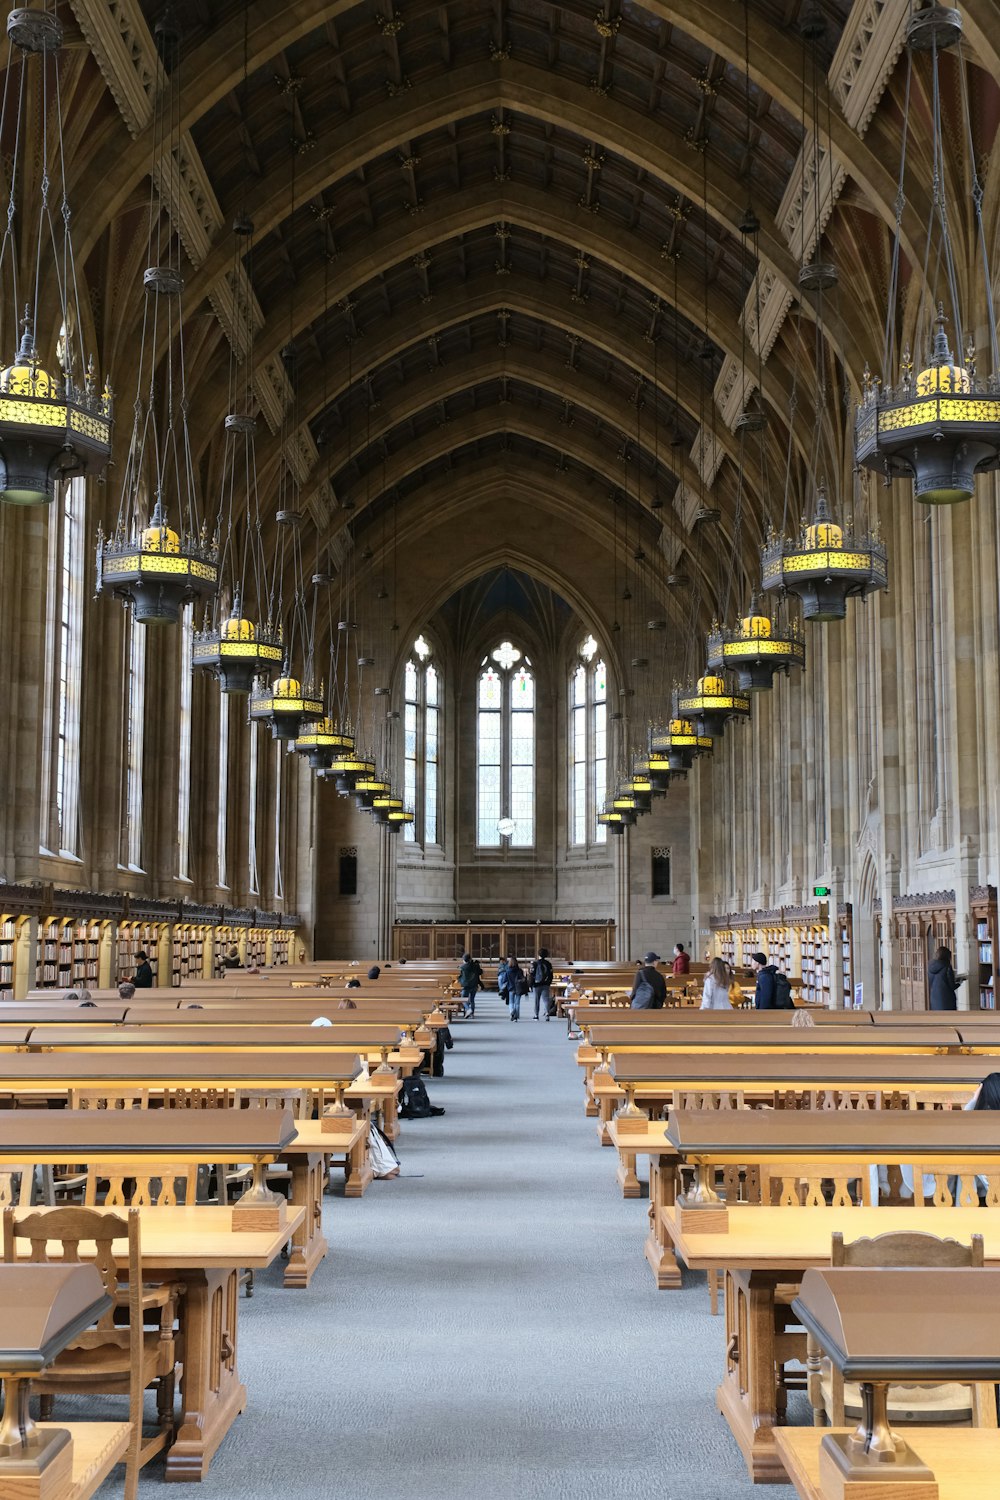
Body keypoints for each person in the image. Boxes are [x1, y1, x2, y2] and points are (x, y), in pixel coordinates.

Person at [928, 945, 963, 1011]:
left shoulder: (930, 967)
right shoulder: (947, 967)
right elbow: (952, 986)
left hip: (934, 999)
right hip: (947, 1000)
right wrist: (960, 982)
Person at [530, 948, 554, 1020]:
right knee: (546, 1000)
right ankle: (547, 1014)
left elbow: (531, 974)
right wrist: (549, 982)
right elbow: (551, 974)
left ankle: (536, 1015)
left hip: (536, 984)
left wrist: (531, 984)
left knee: (536, 1000)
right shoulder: (548, 964)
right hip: (546, 984)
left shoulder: (535, 963)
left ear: (538, 954)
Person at [458, 952, 483, 1018]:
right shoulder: (475, 965)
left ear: (464, 960)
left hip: (466, 985)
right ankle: (472, 1014)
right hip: (474, 984)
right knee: (472, 999)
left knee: (463, 999)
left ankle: (468, 1009)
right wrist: (477, 965)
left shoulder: (462, 967)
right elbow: (480, 972)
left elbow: (459, 976)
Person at [508, 957, 528, 1022]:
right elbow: (523, 979)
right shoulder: (519, 970)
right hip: (518, 988)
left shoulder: (508, 971)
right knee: (517, 1002)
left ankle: (512, 1013)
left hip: (511, 988)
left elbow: (506, 980)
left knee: (511, 1002)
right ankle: (516, 1016)